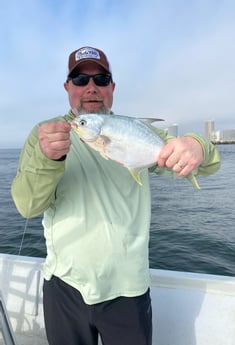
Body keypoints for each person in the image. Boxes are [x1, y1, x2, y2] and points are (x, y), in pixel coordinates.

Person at [11, 46, 220, 345]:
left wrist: (198, 145)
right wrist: (48, 159)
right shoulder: (45, 134)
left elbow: (210, 165)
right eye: (81, 79)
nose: (91, 87)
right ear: (67, 86)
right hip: (64, 287)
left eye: (101, 79)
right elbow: (27, 206)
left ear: (112, 87)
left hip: (128, 289)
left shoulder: (135, 130)